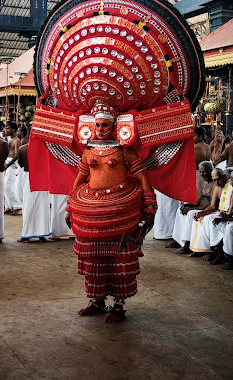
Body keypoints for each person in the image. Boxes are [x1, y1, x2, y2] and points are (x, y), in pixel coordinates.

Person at [66, 104, 157, 323]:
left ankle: (118, 304)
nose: (100, 128)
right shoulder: (88, 151)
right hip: (91, 211)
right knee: (92, 259)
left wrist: (149, 203)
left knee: (120, 259)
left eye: (105, 124)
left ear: (114, 125)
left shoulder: (125, 150)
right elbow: (80, 178)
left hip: (121, 212)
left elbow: (143, 176)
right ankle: (96, 301)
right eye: (97, 124)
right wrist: (70, 204)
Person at [169, 160, 214, 255]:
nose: (202, 174)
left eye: (204, 171)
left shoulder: (214, 184)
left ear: (210, 170)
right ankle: (178, 240)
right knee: (180, 210)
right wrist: (188, 205)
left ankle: (187, 245)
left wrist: (193, 209)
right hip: (200, 207)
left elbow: (211, 204)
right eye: (200, 171)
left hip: (206, 210)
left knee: (190, 214)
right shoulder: (205, 183)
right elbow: (200, 198)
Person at [189, 168, 229, 259]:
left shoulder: (230, 187)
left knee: (207, 219)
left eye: (218, 179)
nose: (217, 182)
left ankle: (210, 251)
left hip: (226, 214)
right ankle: (198, 250)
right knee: (198, 219)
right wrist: (201, 213)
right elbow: (212, 207)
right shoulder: (217, 188)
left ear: (224, 177)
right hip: (217, 212)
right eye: (214, 180)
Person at [17, 143, 51, 242]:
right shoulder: (45, 148)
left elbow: (21, 164)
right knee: (42, 205)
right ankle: (41, 234)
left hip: (28, 176)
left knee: (28, 205)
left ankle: (27, 235)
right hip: (41, 176)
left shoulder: (22, 149)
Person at [4, 122, 22, 215]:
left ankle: (17, 206)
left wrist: (8, 164)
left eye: (9, 128)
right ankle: (8, 206)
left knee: (7, 185)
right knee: (5, 185)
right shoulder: (9, 140)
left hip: (12, 164)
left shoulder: (17, 141)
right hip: (7, 162)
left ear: (14, 130)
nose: (7, 130)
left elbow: (17, 154)